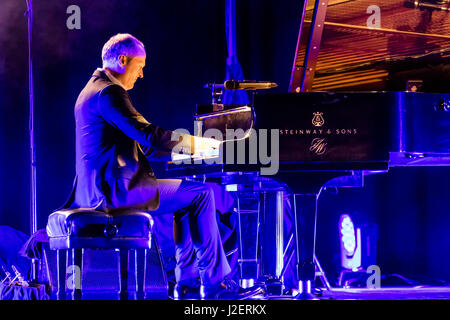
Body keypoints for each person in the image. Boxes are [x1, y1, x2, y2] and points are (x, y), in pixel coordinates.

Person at [64, 33, 259, 300]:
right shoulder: (109, 92)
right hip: (114, 193)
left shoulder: (92, 89)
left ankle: (187, 282)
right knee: (202, 194)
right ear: (123, 60)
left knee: (187, 196)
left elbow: (139, 146)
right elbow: (148, 134)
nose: (141, 74)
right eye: (140, 66)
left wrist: (180, 155)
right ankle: (215, 284)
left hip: (100, 189)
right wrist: (200, 144)